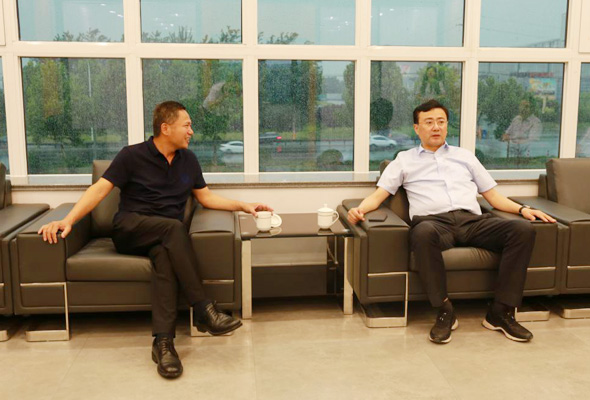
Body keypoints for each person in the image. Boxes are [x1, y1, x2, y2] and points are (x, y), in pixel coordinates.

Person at [38, 101, 273, 378]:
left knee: (165, 254)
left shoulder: (188, 160)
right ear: (166, 128)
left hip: (165, 236)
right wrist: (68, 220)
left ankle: (163, 344)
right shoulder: (132, 156)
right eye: (187, 125)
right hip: (130, 229)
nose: (191, 131)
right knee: (173, 228)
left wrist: (244, 205)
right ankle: (203, 309)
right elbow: (99, 190)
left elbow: (206, 197)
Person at [347, 99, 556, 344]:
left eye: (441, 121)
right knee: (421, 233)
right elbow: (379, 196)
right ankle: (444, 310)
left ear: (447, 125)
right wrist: (359, 210)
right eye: (429, 122)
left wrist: (523, 209)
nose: (436, 127)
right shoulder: (404, 160)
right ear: (417, 128)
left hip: (472, 221)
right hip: (434, 224)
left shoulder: (464, 157)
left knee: (522, 230)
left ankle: (500, 312)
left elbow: (493, 197)